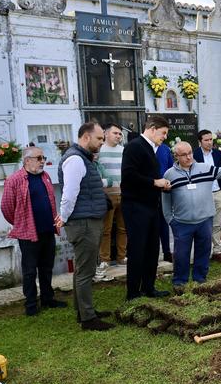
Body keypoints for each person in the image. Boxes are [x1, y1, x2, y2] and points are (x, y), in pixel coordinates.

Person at [162, 141, 221, 286]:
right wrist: (171, 220)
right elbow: (165, 200)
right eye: (184, 155)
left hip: (204, 221)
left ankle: (200, 280)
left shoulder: (204, 168)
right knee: (181, 255)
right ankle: (179, 283)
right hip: (182, 223)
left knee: (203, 252)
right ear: (176, 156)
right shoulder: (169, 175)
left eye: (190, 153)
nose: (188, 157)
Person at [57, 122, 114, 331]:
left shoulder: (82, 157)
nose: (101, 142)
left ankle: (83, 311)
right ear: (86, 137)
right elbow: (69, 194)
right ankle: (88, 319)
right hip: (83, 222)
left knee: (83, 268)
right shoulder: (75, 159)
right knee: (86, 271)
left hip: (86, 219)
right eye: (99, 139)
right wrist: (63, 217)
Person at [0, 146, 66, 316]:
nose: (43, 161)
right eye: (39, 158)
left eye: (43, 157)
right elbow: (6, 208)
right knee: (30, 271)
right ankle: (30, 305)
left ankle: (47, 299)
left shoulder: (45, 177)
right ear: (27, 160)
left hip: (47, 230)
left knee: (46, 267)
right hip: (28, 233)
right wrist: (21, 223)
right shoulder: (14, 180)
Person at [121, 117, 173, 300]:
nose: (165, 137)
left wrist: (161, 184)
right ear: (152, 129)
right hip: (136, 206)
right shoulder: (135, 146)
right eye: (163, 133)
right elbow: (128, 176)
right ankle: (133, 292)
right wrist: (154, 182)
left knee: (152, 248)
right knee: (137, 250)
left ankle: (149, 287)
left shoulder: (151, 148)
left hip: (151, 205)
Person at [193, 129, 221, 263]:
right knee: (202, 225)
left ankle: (217, 252)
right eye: (206, 140)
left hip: (218, 193)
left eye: (211, 139)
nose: (209, 142)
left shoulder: (218, 154)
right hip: (203, 195)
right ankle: (203, 253)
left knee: (216, 225)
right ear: (200, 142)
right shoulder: (195, 155)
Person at [96, 123, 127, 275]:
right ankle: (104, 260)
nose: (118, 136)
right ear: (105, 134)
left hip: (124, 194)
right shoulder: (99, 150)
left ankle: (122, 257)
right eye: (115, 133)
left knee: (123, 228)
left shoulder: (124, 150)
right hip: (106, 196)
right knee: (106, 229)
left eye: (120, 134)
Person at [156, 141, 173, 263]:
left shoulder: (165, 149)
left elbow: (171, 169)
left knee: (163, 222)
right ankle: (153, 253)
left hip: (163, 190)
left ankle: (167, 252)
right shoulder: (144, 148)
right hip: (148, 190)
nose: (164, 136)